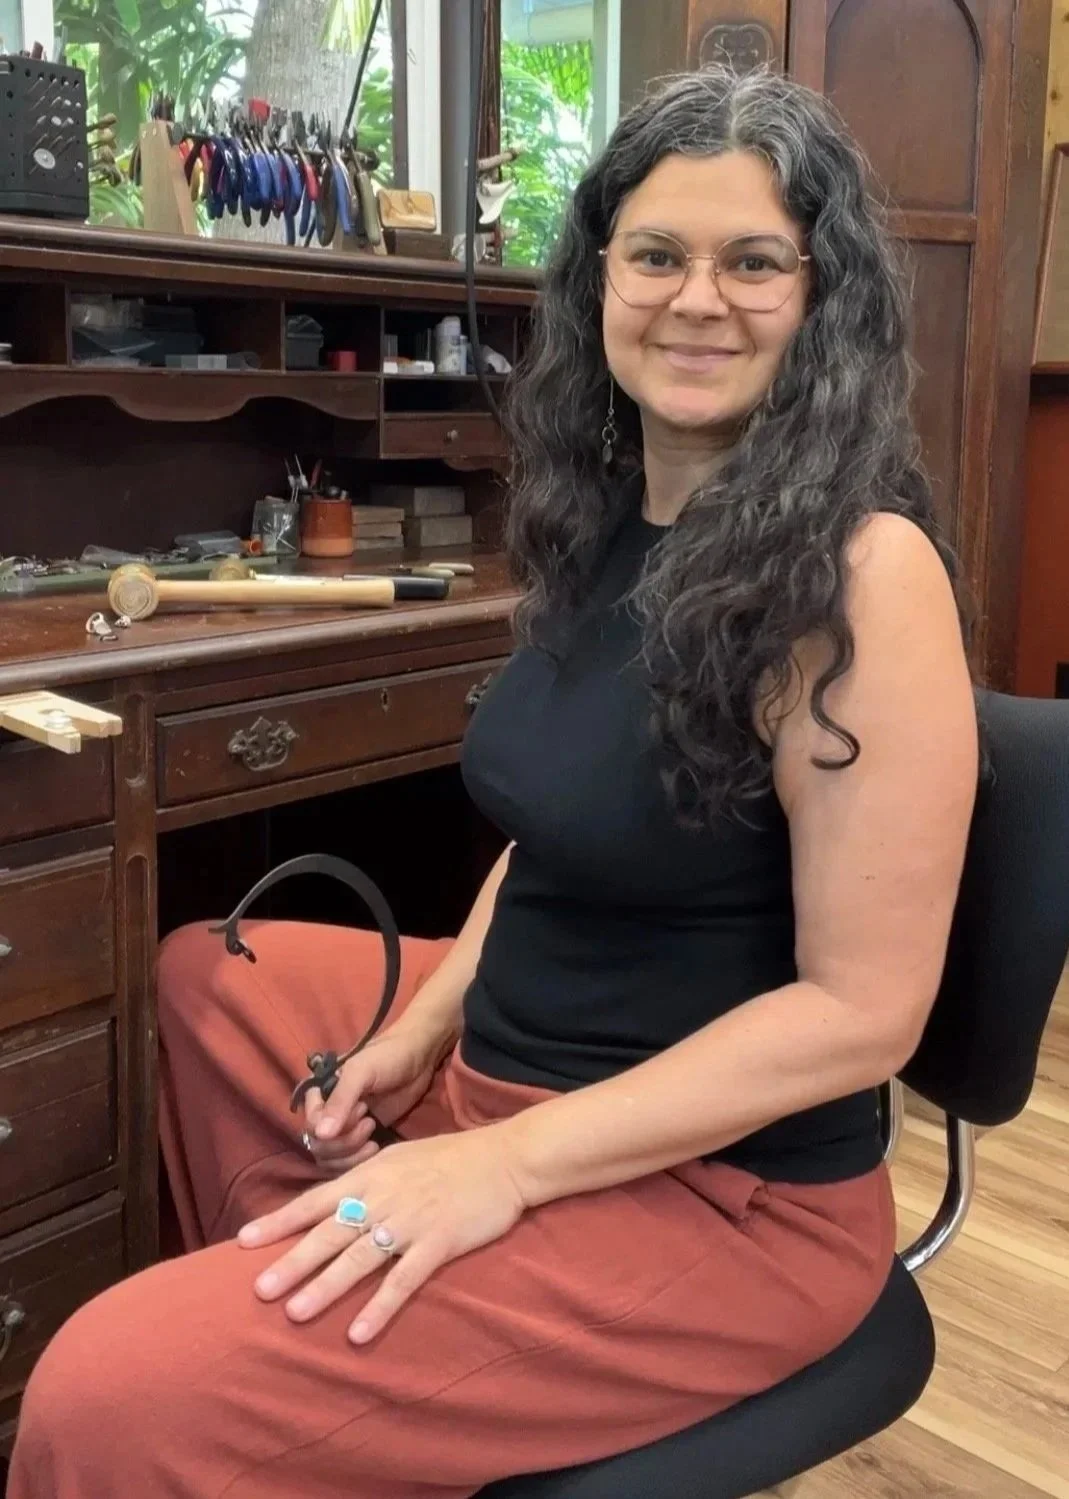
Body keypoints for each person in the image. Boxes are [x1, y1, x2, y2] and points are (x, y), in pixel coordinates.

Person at [8, 64, 977, 1499]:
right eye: (656, 255)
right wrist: (422, 1030)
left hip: (727, 1195)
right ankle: (331, 1359)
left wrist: (499, 1173)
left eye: (754, 261)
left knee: (98, 1392)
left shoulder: (861, 575)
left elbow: (863, 1014)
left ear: (821, 299)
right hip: (510, 1078)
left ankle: (261, 1366)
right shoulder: (610, 525)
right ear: (598, 282)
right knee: (215, 984)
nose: (696, 298)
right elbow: (561, 837)